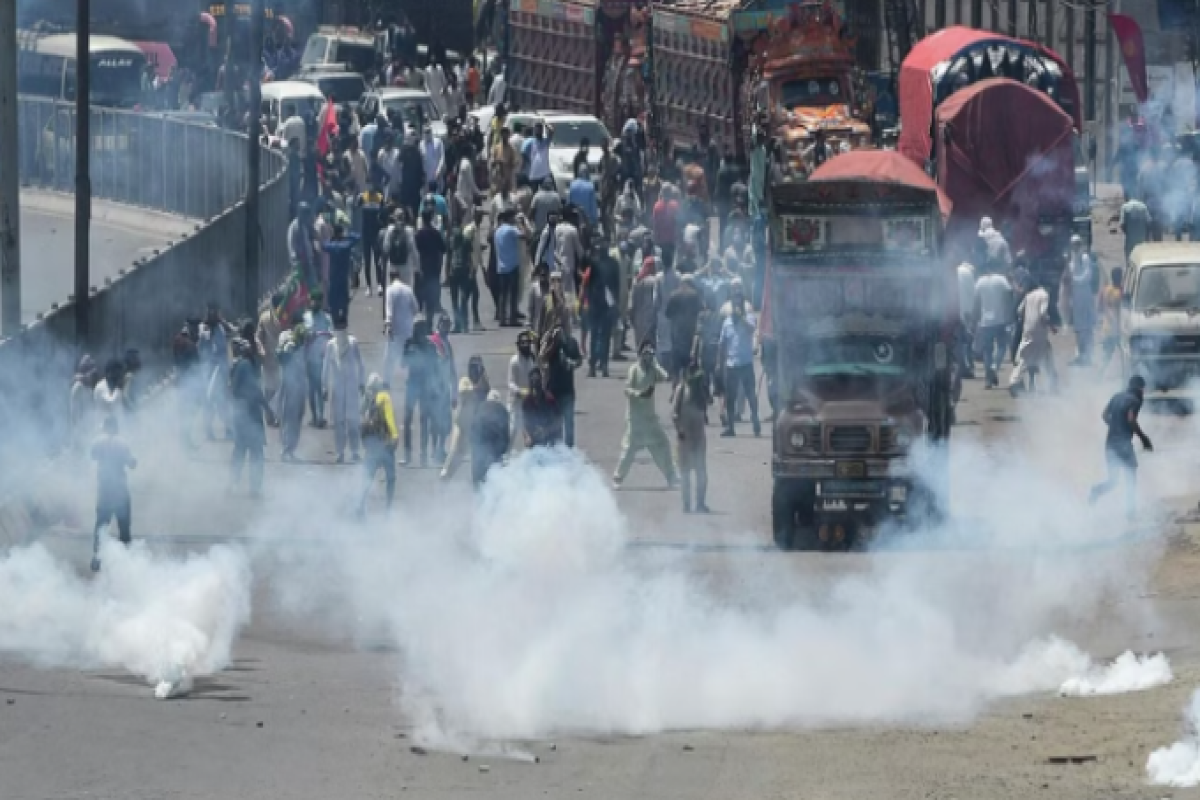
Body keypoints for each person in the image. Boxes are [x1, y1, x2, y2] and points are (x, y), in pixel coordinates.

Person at [613, 342, 677, 488]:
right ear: (640, 353)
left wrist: (655, 364)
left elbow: (665, 376)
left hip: (650, 418)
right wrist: (640, 394)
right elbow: (627, 390)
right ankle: (618, 477)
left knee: (662, 445)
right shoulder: (634, 370)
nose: (647, 355)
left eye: (650, 353)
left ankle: (671, 476)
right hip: (635, 419)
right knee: (629, 449)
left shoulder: (652, 369)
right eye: (645, 352)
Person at [1088, 376, 1153, 519]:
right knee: (1131, 477)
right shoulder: (1135, 401)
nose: (1143, 392)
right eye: (1143, 389)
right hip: (1123, 445)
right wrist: (1144, 438)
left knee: (1113, 481)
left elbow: (1104, 415)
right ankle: (1130, 513)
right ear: (1140, 388)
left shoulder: (1117, 396)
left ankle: (1096, 491)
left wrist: (1115, 426)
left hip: (1110, 443)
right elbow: (1131, 419)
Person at [89, 414, 136, 571]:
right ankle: (126, 559)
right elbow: (132, 463)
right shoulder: (122, 443)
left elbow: (92, 455)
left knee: (101, 526)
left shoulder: (97, 441)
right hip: (119, 491)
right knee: (124, 526)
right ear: (116, 427)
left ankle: (97, 558)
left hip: (104, 491)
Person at [228, 337, 271, 497]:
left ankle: (233, 483)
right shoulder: (245, 365)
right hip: (250, 416)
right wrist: (268, 409)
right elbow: (255, 391)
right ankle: (254, 488)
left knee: (239, 451)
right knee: (256, 453)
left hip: (239, 415)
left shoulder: (235, 366)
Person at [323, 313, 365, 463]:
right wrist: (324, 387)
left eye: (342, 327)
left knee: (353, 421)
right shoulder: (330, 345)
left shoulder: (353, 343)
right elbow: (326, 366)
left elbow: (360, 364)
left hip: (352, 385)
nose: (340, 330)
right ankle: (340, 452)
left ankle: (354, 451)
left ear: (346, 327)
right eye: (338, 327)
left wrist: (362, 383)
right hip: (337, 386)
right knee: (338, 422)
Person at [441, 355, 491, 479]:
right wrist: (477, 384)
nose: (475, 370)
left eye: (478, 367)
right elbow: (464, 391)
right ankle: (445, 472)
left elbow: (487, 391)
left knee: (473, 452)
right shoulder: (465, 380)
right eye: (474, 367)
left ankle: (477, 477)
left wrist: (482, 376)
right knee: (455, 450)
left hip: (473, 423)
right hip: (461, 422)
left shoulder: (483, 381)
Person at [1009, 273, 1057, 396]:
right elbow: (1043, 313)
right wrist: (1051, 326)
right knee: (1033, 357)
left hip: (1028, 330)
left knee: (1036, 355)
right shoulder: (1044, 295)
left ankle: (1053, 381)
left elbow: (1019, 311)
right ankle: (1014, 382)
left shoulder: (1029, 295)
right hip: (1039, 332)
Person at [358, 372, 400, 515]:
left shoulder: (368, 398)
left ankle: (359, 507)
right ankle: (388, 509)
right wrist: (394, 435)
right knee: (391, 478)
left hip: (372, 445)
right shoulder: (384, 397)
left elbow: (361, 414)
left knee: (367, 477)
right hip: (385, 444)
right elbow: (389, 417)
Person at [719, 294, 760, 436]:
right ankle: (730, 427)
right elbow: (723, 344)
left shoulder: (748, 318)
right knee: (730, 397)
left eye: (739, 305)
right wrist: (720, 364)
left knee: (750, 395)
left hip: (746, 363)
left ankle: (755, 420)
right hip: (731, 364)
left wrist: (741, 318)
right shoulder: (727, 322)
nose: (737, 308)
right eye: (735, 305)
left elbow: (751, 329)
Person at [673, 357, 711, 513]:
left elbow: (707, 404)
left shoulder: (701, 390)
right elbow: (675, 414)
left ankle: (700, 503)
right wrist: (679, 431)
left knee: (701, 472)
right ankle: (686, 504)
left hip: (699, 437)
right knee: (685, 473)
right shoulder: (681, 389)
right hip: (685, 438)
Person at [973, 265, 1014, 388]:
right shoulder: (1001, 279)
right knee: (1002, 346)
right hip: (1001, 319)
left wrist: (975, 319)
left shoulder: (980, 281)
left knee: (987, 351)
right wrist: (1010, 314)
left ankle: (988, 380)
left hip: (985, 321)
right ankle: (994, 366)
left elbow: (976, 301)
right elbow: (1009, 296)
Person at [584, 239, 620, 377]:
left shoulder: (612, 264)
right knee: (597, 336)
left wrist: (615, 305)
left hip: (604, 306)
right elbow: (587, 285)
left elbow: (616, 286)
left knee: (602, 336)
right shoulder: (593, 264)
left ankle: (602, 365)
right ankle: (594, 366)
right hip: (596, 305)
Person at [542, 325, 582, 446]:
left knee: (569, 423)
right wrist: (553, 342)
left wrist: (572, 363)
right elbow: (542, 358)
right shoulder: (548, 342)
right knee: (554, 423)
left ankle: (569, 450)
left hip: (567, 390)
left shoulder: (572, 342)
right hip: (552, 390)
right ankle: (555, 448)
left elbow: (579, 360)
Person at [276, 320, 308, 461]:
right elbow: (284, 362)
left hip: (300, 385)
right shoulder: (290, 346)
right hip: (290, 386)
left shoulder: (302, 347)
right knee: (289, 419)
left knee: (298, 418)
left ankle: (291, 449)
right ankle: (285, 450)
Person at [1062, 235, 1097, 366]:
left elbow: (1087, 276)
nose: (1075, 247)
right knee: (1078, 327)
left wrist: (1075, 281)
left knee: (1087, 327)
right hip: (1076, 297)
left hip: (1085, 295)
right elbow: (1067, 278)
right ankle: (1081, 354)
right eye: (1073, 244)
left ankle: (1088, 355)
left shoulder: (1085, 258)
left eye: (1077, 244)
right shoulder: (1071, 261)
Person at [665, 273, 703, 386]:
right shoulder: (695, 295)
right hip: (690, 333)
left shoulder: (674, 294)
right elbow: (700, 312)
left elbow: (668, 314)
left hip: (676, 332)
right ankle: (691, 388)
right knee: (691, 362)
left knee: (676, 361)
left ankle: (675, 385)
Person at [303, 293, 332, 428]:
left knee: (320, 388)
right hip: (309, 357)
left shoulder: (326, 318)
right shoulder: (306, 317)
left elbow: (331, 335)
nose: (314, 303)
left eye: (316, 301)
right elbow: (301, 334)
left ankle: (320, 417)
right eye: (312, 301)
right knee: (311, 389)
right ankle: (314, 416)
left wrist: (325, 341)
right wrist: (308, 335)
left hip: (322, 358)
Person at [471, 389, 510, 487]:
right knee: (493, 479)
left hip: (479, 447)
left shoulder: (479, 408)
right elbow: (506, 434)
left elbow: (472, 429)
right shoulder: (503, 410)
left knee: (479, 479)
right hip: (494, 449)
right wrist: (504, 451)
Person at [414, 208, 448, 315]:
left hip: (422, 264)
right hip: (434, 265)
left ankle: (421, 307)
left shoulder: (419, 234)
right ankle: (434, 307)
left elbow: (415, 250)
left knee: (421, 287)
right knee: (434, 286)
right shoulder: (436, 233)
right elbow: (443, 248)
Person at [256, 295, 284, 419]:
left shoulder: (266, 316)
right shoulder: (284, 317)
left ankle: (273, 415)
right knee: (271, 388)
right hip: (273, 358)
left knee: (274, 388)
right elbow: (258, 337)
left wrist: (261, 349)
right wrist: (261, 349)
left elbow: (258, 337)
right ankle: (271, 415)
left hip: (275, 358)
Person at [494, 209, 524, 326]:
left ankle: (502, 318)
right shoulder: (511, 229)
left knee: (503, 294)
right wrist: (521, 223)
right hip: (512, 265)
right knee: (513, 294)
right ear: (510, 218)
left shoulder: (498, 231)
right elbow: (524, 235)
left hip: (501, 266)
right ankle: (512, 319)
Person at [508, 330, 537, 448]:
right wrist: (520, 391)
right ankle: (504, 460)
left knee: (530, 435)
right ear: (518, 345)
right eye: (523, 343)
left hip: (529, 403)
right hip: (515, 403)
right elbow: (510, 383)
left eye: (528, 343)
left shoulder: (532, 360)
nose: (526, 345)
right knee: (511, 432)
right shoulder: (514, 361)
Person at [325, 224, 360, 321]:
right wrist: (346, 234)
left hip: (333, 277)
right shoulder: (346, 245)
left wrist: (331, 237)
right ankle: (344, 317)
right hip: (344, 276)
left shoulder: (331, 246)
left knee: (333, 298)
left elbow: (324, 245)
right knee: (344, 298)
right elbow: (357, 237)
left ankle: (334, 317)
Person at [522, 366, 562, 447]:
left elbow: (559, 421)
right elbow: (524, 424)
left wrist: (546, 430)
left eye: (537, 381)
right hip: (534, 439)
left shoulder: (549, 399)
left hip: (551, 438)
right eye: (532, 382)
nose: (535, 389)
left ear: (541, 383)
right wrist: (527, 437)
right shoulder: (526, 401)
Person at [631, 255, 659, 352]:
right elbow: (655, 300)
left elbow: (632, 301)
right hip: (650, 316)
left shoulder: (636, 280)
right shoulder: (654, 281)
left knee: (640, 343)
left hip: (638, 317)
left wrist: (631, 315)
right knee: (651, 345)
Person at [1119, 192, 1152, 261]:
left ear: (1127, 197)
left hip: (1130, 240)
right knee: (1142, 259)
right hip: (1142, 240)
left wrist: (1128, 233)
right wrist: (1147, 237)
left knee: (1129, 260)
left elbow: (1122, 224)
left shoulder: (1125, 207)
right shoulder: (1143, 206)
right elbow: (1149, 222)